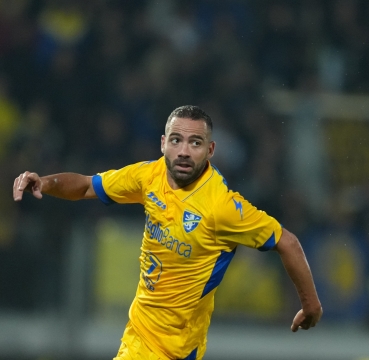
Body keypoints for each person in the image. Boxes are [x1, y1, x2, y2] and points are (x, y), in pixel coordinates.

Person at [13, 105, 323, 360]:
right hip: (137, 337)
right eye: (176, 140)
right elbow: (85, 186)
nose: (184, 151)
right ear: (163, 143)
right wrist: (46, 182)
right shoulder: (150, 176)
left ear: (211, 149)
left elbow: (287, 242)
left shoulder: (222, 207)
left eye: (195, 143)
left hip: (176, 351)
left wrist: (310, 305)